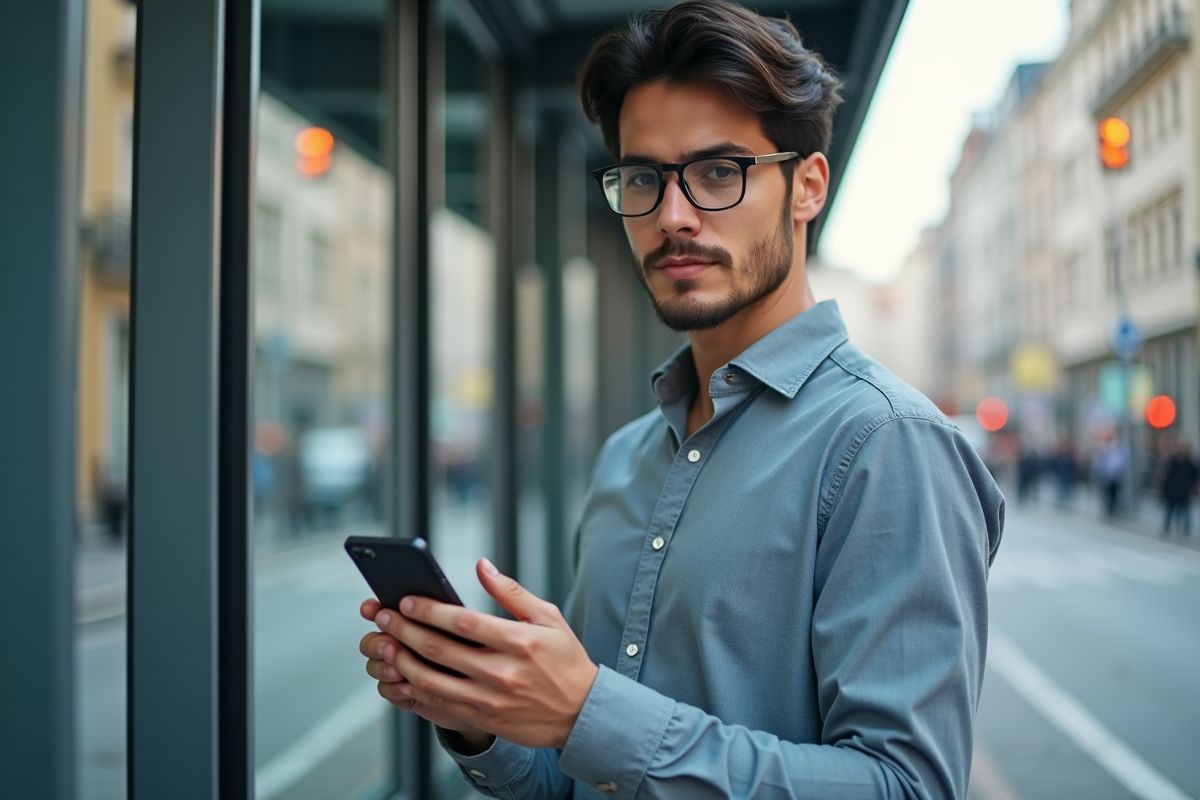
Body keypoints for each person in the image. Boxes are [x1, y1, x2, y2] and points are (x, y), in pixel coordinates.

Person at [357, 3, 1004, 798]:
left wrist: (588, 713)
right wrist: (480, 718)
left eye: (718, 172)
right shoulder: (627, 455)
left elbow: (908, 786)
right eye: (642, 178)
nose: (672, 216)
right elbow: (580, 776)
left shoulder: (887, 444)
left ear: (807, 187)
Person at [1160, 438, 1198, 535]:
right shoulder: (1173, 462)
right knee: (1170, 510)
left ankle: (1186, 529)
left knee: (1186, 511)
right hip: (1173, 491)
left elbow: (1194, 477)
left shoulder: (1190, 463)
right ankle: (1166, 527)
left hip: (1184, 492)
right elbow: (1166, 476)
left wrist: (1194, 488)